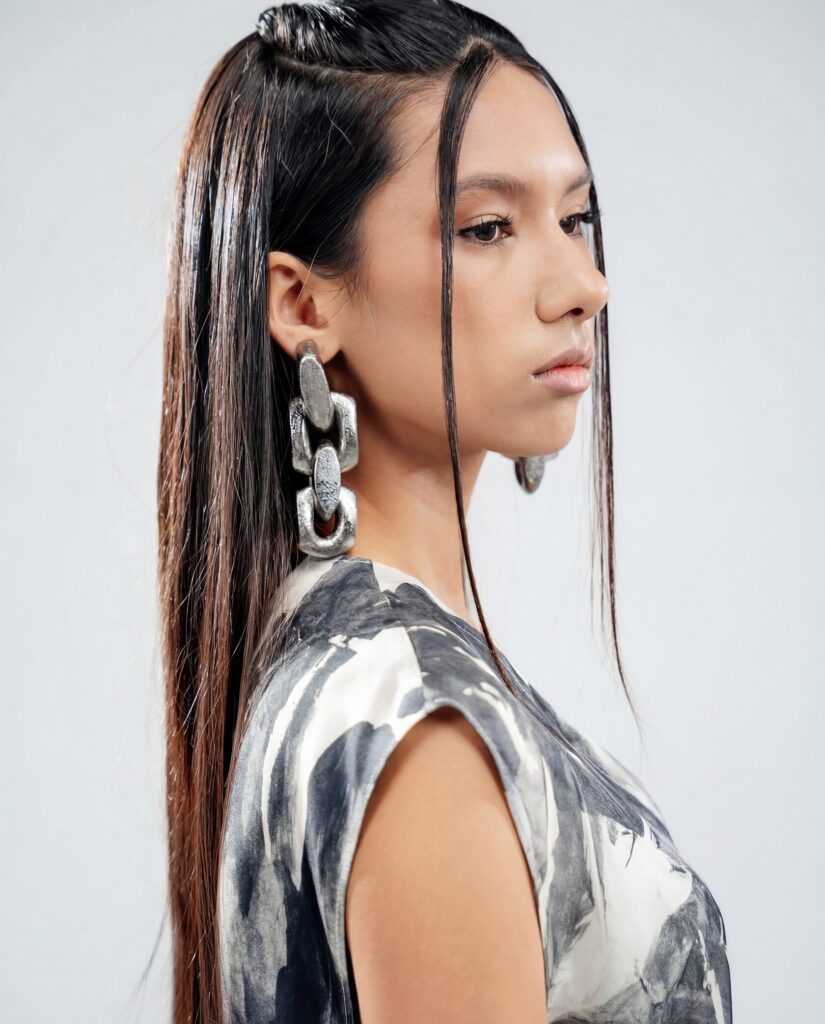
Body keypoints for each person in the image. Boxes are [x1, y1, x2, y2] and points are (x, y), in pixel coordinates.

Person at [156, 2, 733, 1022]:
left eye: (576, 218)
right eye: (488, 228)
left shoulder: (342, 663)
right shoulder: (423, 730)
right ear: (304, 304)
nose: (584, 285)